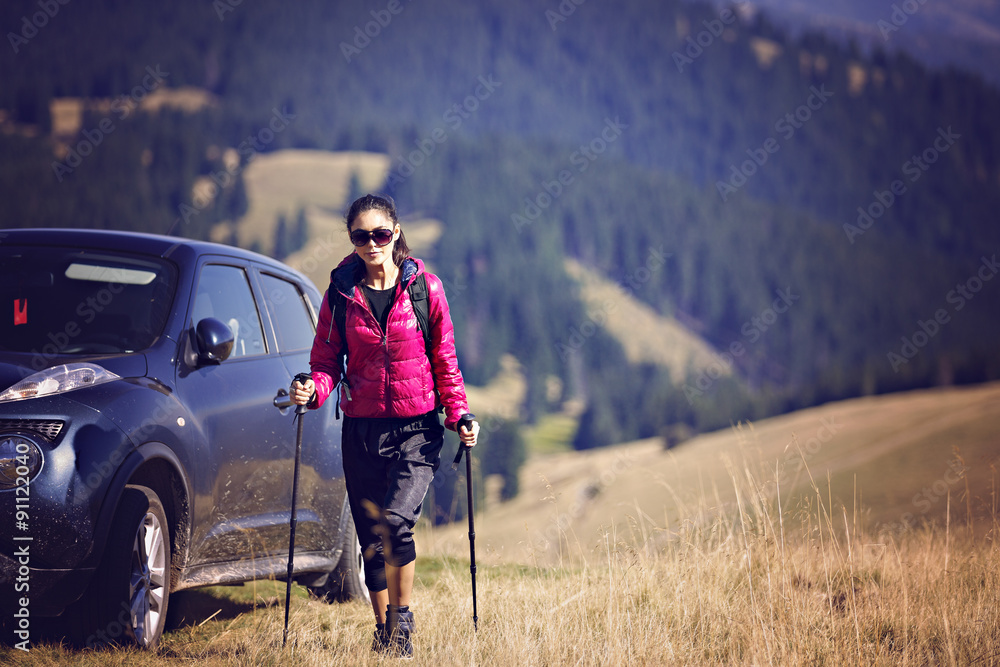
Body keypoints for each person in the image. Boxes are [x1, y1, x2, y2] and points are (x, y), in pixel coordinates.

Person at [291, 193, 479, 658]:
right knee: (371, 533)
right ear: (352, 240)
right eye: (361, 236)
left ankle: (403, 622)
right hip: (361, 430)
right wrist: (313, 390)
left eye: (380, 233)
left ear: (394, 233)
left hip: (417, 429)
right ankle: (383, 631)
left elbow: (445, 360)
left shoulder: (425, 289)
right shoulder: (340, 292)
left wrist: (458, 415)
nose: (372, 243)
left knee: (396, 523)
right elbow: (326, 361)